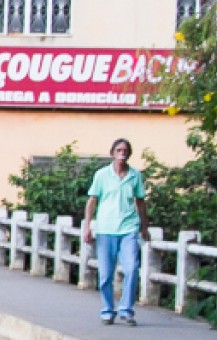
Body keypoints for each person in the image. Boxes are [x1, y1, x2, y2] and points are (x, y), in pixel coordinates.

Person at [83, 138, 149, 326]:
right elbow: (92, 201)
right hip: (106, 229)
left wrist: (145, 226)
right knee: (105, 275)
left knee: (131, 269)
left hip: (128, 228)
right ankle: (107, 310)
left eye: (125, 150)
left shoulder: (135, 176)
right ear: (112, 153)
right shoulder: (102, 175)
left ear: (129, 153)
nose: (122, 153)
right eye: (119, 149)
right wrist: (88, 226)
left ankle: (126, 310)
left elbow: (140, 201)